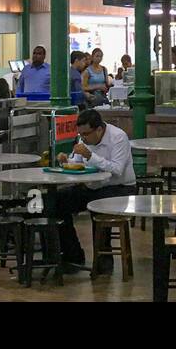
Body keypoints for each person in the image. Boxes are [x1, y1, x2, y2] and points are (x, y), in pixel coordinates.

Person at [55, 108, 137, 273]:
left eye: (86, 134)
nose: (83, 138)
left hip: (119, 188)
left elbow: (117, 169)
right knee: (57, 202)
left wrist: (91, 156)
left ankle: (104, 261)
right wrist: (65, 162)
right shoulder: (84, 139)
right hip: (92, 186)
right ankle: (72, 255)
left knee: (97, 207)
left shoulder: (118, 137)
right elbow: (77, 163)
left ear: (99, 129)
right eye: (81, 134)